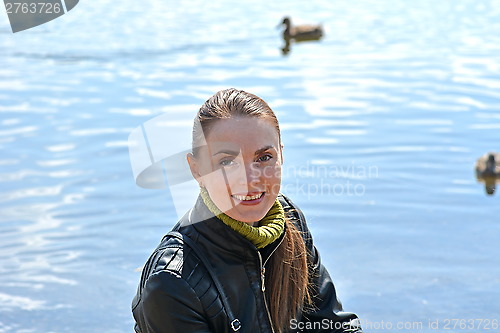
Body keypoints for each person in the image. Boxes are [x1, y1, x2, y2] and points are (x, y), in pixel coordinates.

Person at [131, 88, 362, 333]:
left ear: (281, 154)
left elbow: (335, 325)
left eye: (264, 157)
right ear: (197, 170)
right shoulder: (172, 281)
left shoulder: (290, 220)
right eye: (227, 162)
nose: (250, 180)